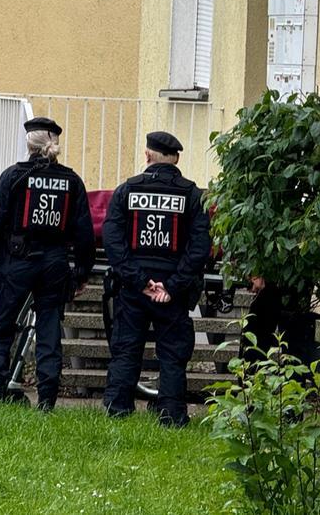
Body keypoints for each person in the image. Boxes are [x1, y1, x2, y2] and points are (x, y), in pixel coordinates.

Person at [0, 117, 95, 410]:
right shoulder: (71, 181)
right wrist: (82, 273)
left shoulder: (13, 176)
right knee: (49, 329)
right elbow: (84, 232)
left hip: (17, 260)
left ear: (29, 143)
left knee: (0, 324)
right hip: (55, 263)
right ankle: (47, 400)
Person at [101, 131, 210, 427]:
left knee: (126, 350)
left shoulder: (127, 190)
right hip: (172, 292)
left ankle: (117, 412)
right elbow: (199, 248)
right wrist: (172, 286)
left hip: (133, 289)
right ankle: (172, 415)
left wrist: (139, 282)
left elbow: (112, 241)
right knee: (173, 355)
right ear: (176, 159)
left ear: (147, 155)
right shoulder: (192, 195)